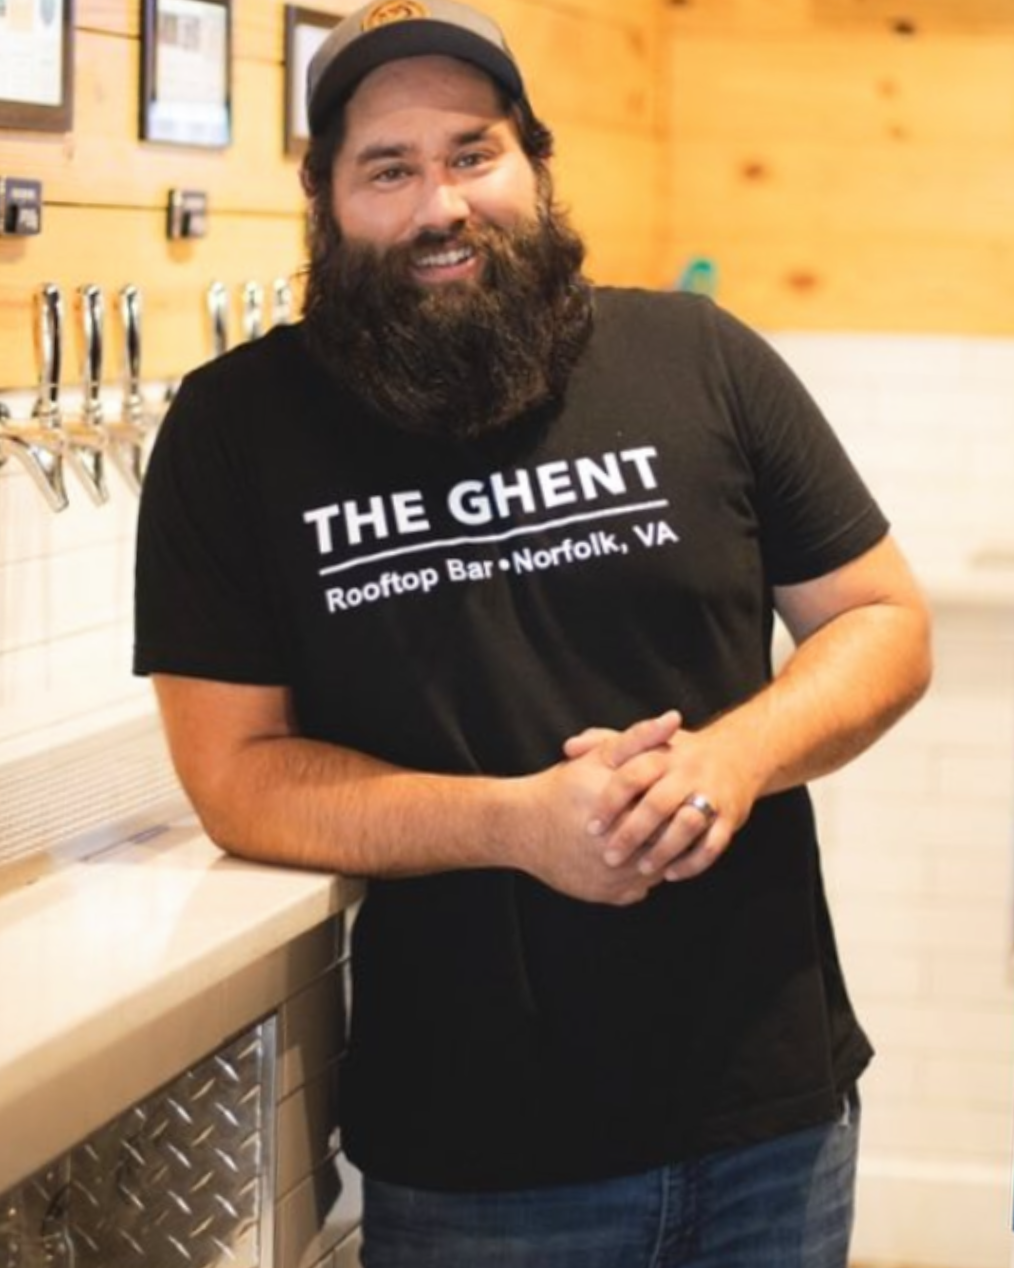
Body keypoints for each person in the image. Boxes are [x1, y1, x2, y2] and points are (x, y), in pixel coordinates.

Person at [133, 1, 933, 1263]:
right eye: (388, 169)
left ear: (537, 166)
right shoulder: (236, 433)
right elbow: (234, 773)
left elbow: (883, 618)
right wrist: (515, 822)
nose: (439, 204)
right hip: (480, 1162)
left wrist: (734, 756)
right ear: (324, 196)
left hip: (771, 1113)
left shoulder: (699, 355)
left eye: (473, 152)